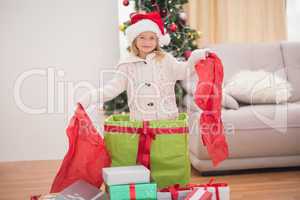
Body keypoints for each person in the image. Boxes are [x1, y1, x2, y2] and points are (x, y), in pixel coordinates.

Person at [79, 11, 212, 124]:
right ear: (134, 40)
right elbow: (113, 88)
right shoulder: (126, 65)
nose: (146, 42)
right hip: (141, 123)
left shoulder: (166, 60)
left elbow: (184, 71)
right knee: (144, 154)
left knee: (166, 154)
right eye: (142, 37)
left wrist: (196, 57)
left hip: (167, 121)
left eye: (151, 38)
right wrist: (91, 96)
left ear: (157, 41)